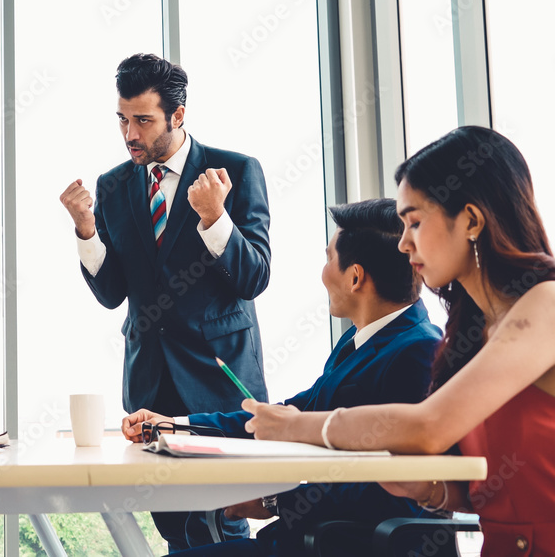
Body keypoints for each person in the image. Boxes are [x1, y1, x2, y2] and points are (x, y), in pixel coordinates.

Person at [244, 126, 555, 556]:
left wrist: (299, 426)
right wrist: (432, 490)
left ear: (471, 220)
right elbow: (495, 489)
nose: (404, 243)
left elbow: (428, 426)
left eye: (414, 222)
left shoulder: (547, 305)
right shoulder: (473, 333)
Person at [122, 198, 442, 556]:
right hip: (307, 539)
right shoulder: (358, 341)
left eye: (327, 259)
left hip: (336, 546)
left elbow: (399, 492)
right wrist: (177, 425)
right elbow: (284, 416)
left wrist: (276, 501)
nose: (323, 273)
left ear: (355, 277)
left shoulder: (418, 352)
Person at [59, 53, 272, 550]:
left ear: (178, 116)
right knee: (173, 525)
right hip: (149, 382)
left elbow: (254, 277)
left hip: (217, 383)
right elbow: (112, 293)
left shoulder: (236, 171)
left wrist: (215, 218)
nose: (129, 134)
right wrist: (86, 230)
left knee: (223, 521)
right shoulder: (114, 185)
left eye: (142, 120)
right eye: (122, 119)